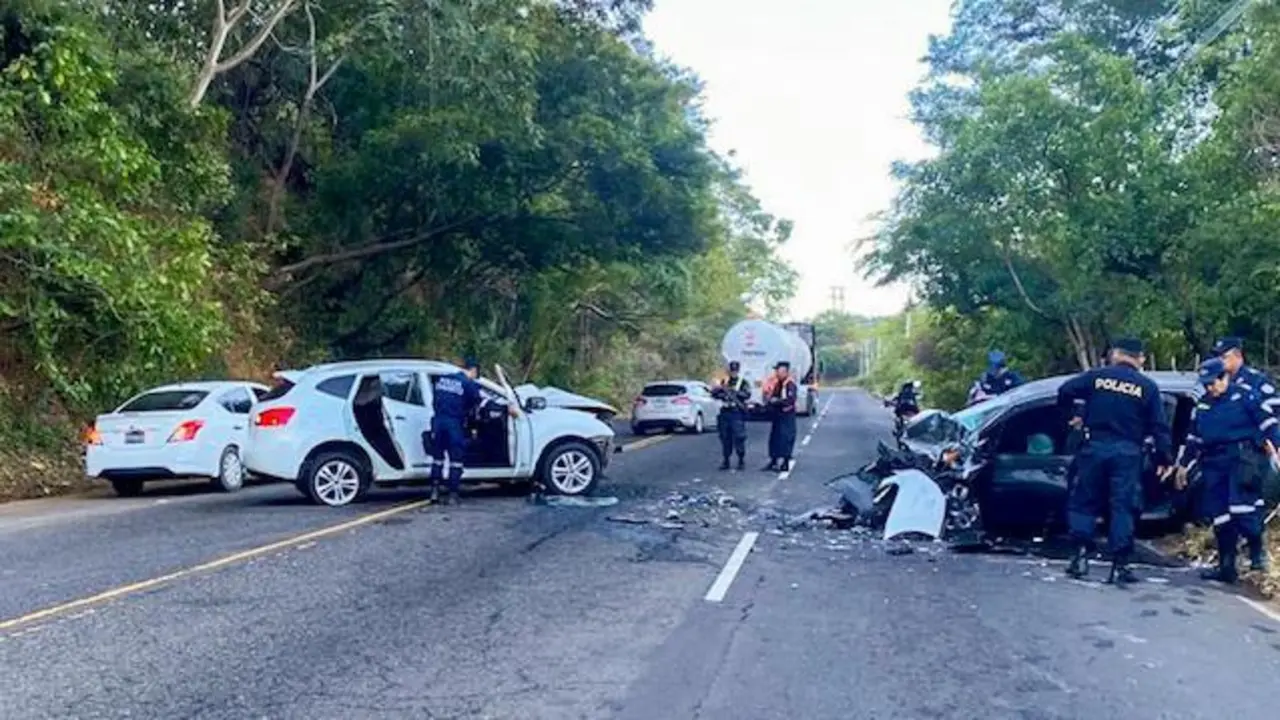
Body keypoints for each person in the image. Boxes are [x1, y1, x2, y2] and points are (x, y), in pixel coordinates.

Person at [1056, 338, 1173, 584]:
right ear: (1138, 358)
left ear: (1115, 354)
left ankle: (1079, 557)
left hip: (1094, 448)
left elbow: (1065, 390)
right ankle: (1120, 565)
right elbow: (1159, 426)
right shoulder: (1147, 386)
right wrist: (1164, 458)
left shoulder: (1097, 377)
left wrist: (1073, 416)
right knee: (1123, 506)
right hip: (1127, 453)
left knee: (1084, 502)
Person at [1179, 358, 1280, 581]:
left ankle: (1257, 557)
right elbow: (1193, 438)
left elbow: (1269, 424)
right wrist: (1183, 466)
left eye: (1213, 383)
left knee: (1245, 512)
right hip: (1214, 464)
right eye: (1206, 384)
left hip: (1242, 461)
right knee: (1221, 517)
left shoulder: (1245, 396)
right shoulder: (1203, 404)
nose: (1210, 388)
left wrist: (1277, 448)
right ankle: (1226, 567)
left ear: (1225, 378)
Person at [427, 357, 485, 505]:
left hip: (438, 422)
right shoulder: (468, 383)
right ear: (473, 371)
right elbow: (476, 403)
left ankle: (434, 492)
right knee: (455, 461)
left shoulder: (442, 379)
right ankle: (453, 494)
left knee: (437, 459)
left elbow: (434, 401)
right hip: (454, 424)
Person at [712, 361, 752, 470]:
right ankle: (726, 460)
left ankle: (741, 460)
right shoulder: (724, 382)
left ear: (738, 371)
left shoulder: (742, 382)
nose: (733, 373)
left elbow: (747, 394)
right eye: (731, 371)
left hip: (736, 412)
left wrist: (735, 393)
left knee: (739, 437)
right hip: (725, 412)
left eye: (735, 371)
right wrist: (722, 392)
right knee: (725, 437)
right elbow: (714, 393)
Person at [763, 361, 799, 472]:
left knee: (786, 439)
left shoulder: (790, 384)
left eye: (778, 370)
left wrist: (777, 401)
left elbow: (790, 400)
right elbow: (772, 396)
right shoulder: (778, 383)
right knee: (775, 438)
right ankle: (773, 461)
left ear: (785, 372)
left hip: (787, 416)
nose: (776, 373)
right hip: (778, 416)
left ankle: (785, 462)